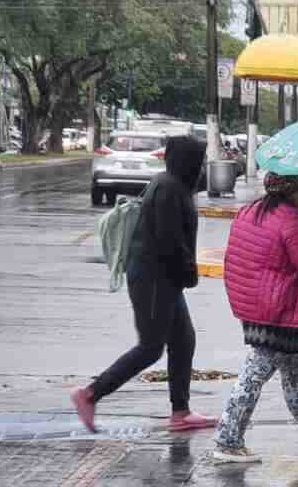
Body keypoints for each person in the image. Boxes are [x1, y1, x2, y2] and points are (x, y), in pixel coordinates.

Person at [70, 135, 218, 433]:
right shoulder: (168, 189)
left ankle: (181, 412)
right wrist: (189, 271)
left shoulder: (175, 185)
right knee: (151, 347)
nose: (201, 168)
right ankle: (89, 394)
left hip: (165, 278)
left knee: (183, 340)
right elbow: (170, 241)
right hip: (154, 278)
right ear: (185, 161)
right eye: (198, 161)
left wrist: (185, 273)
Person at [210, 173, 298, 463]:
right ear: (296, 190)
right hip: (281, 308)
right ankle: (228, 438)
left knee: (294, 368)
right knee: (255, 372)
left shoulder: (251, 212)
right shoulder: (293, 220)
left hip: (258, 304)